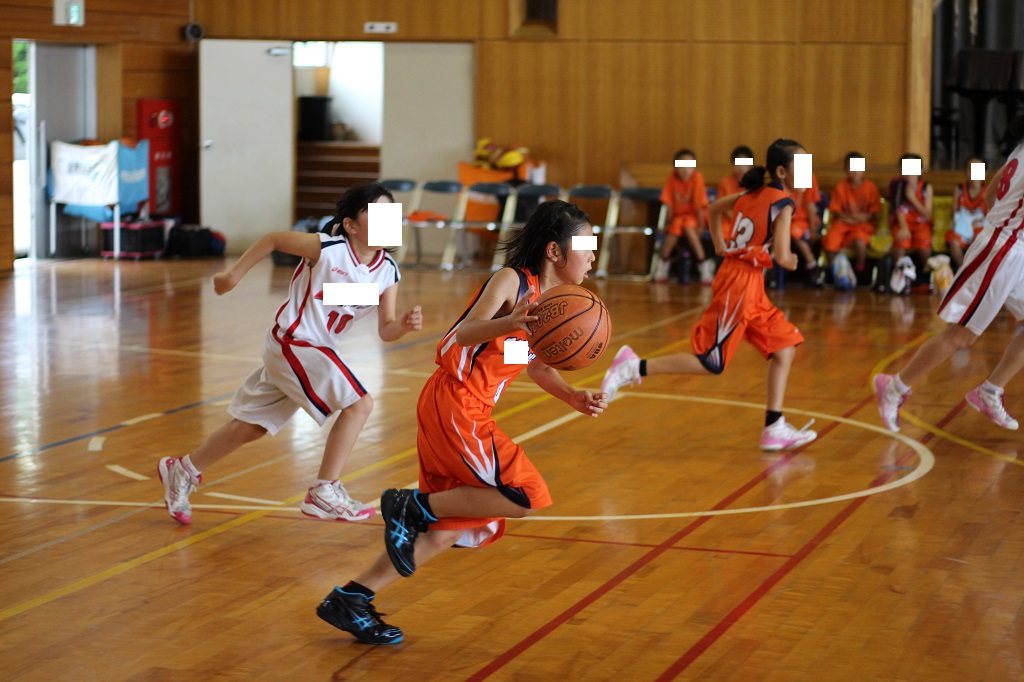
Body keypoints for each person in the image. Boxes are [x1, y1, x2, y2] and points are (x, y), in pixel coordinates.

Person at [315, 200, 609, 645]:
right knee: (526, 494)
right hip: (456, 403)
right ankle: (410, 505)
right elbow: (460, 335)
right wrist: (508, 320)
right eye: (586, 246)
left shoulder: (552, 309)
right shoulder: (511, 282)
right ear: (554, 251)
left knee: (454, 527)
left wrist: (572, 395)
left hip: (459, 408)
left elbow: (527, 362)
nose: (592, 256)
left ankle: (353, 598)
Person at [157, 183, 423, 525]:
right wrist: (232, 275)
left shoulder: (389, 271)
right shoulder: (327, 248)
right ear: (351, 225)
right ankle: (324, 491)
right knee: (361, 403)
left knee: (251, 428)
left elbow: (386, 329)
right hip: (294, 342)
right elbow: (273, 239)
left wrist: (402, 325)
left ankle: (182, 470)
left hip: (314, 350)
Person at [601, 138, 818, 451]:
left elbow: (714, 208)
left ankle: (774, 426)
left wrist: (719, 243)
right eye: (803, 165)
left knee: (785, 349)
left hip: (749, 284)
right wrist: (793, 260)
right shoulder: (783, 203)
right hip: (739, 286)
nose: (808, 171)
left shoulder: (752, 192)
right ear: (783, 171)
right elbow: (784, 256)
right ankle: (632, 366)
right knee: (712, 362)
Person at [874, 116, 1024, 433]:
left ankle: (990, 391)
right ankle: (894, 387)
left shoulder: (1019, 150)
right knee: (962, 336)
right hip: (1001, 249)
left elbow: (988, 196)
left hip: (1013, 247)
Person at [654, 149, 713, 284]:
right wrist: (667, 224)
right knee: (675, 227)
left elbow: (699, 204)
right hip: (678, 218)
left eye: (690, 166)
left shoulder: (697, 177)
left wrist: (701, 225)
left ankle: (703, 266)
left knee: (687, 226)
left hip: (695, 217)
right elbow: (668, 204)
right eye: (682, 166)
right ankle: (663, 264)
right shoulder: (672, 178)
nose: (686, 170)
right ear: (675, 167)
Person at [823, 152, 881, 285]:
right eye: (851, 168)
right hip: (842, 223)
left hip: (862, 224)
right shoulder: (840, 187)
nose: (855, 172)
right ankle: (835, 271)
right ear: (845, 169)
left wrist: (853, 219)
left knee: (860, 242)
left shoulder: (871, 188)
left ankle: (859, 272)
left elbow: (872, 214)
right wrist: (854, 218)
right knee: (830, 241)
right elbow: (837, 212)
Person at [887, 153, 933, 292]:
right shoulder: (897, 185)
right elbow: (897, 209)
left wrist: (912, 198)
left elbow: (927, 214)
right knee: (901, 241)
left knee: (924, 245)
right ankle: (900, 276)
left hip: (921, 223)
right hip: (903, 222)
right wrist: (904, 227)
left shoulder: (926, 187)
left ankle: (926, 278)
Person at [946, 156, 989, 269]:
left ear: (985, 173)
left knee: (980, 238)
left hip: (979, 227)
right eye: (970, 168)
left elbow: (991, 214)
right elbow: (953, 213)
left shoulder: (988, 190)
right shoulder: (959, 189)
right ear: (966, 172)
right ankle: (962, 269)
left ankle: (974, 271)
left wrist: (979, 221)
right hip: (962, 227)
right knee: (954, 241)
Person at [787, 172, 823, 287]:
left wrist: (812, 230)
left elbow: (811, 207)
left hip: (804, 221)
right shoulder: (784, 175)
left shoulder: (809, 178)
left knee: (793, 232)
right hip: (788, 220)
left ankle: (812, 263)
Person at [717, 145, 755, 227]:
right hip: (728, 220)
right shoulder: (725, 182)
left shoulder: (755, 184)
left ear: (751, 166)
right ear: (732, 165)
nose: (741, 168)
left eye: (744, 164)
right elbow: (722, 206)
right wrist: (736, 220)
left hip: (749, 221)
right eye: (738, 164)